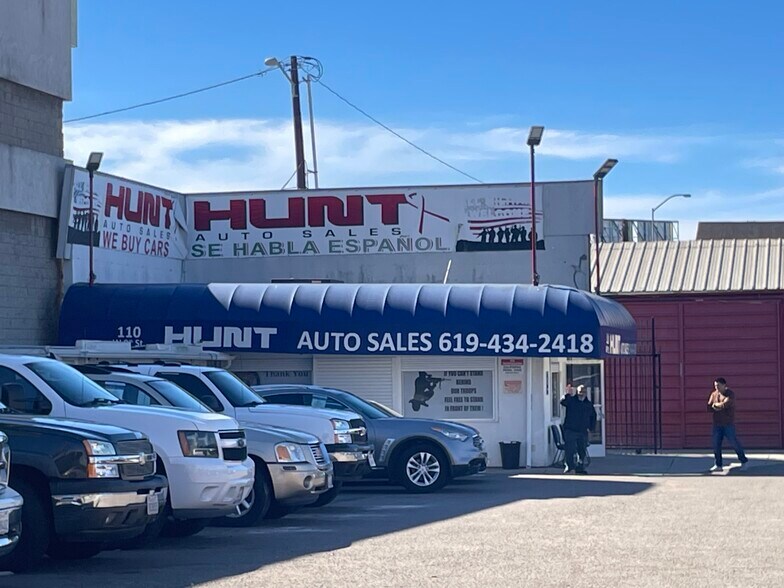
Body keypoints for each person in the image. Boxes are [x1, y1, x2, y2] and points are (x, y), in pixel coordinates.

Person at [707, 377, 749, 472]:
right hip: (717, 424)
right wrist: (715, 406)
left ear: (724, 385)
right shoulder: (714, 394)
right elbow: (709, 406)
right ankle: (718, 465)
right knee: (716, 444)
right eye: (715, 386)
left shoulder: (730, 394)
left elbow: (725, 404)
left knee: (734, 443)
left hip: (728, 424)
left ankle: (744, 461)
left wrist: (716, 405)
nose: (716, 388)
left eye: (718, 386)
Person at [560, 384, 597, 474]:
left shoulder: (588, 404)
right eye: (580, 392)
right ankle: (569, 466)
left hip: (582, 431)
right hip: (570, 429)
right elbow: (563, 402)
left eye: (583, 392)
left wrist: (591, 428)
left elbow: (593, 416)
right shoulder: (571, 400)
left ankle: (580, 466)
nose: (581, 394)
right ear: (577, 392)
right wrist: (567, 394)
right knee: (570, 449)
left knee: (582, 449)